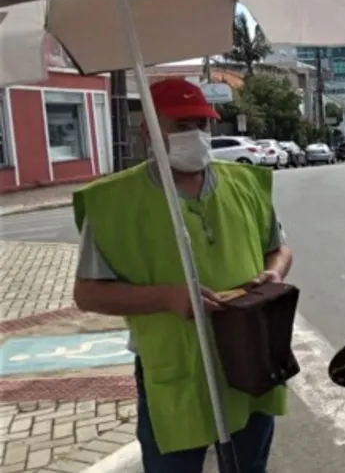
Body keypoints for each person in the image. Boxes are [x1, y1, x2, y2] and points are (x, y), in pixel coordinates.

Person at [71, 78, 293, 473]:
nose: (196, 136)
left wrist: (272, 274)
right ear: (148, 131)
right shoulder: (112, 202)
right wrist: (167, 298)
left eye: (202, 125)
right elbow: (88, 294)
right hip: (174, 367)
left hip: (247, 354)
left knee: (249, 464)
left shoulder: (245, 184)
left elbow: (279, 248)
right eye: (182, 126)